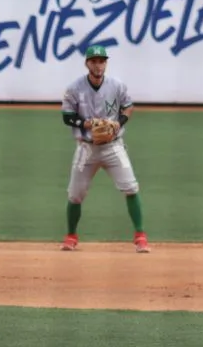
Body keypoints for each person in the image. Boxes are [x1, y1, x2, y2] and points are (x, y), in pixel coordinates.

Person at [58, 45, 150, 253]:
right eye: (94, 61)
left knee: (131, 187)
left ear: (105, 63)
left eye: (102, 61)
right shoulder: (75, 88)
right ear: (87, 63)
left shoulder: (116, 85)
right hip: (86, 148)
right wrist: (85, 124)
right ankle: (71, 236)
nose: (98, 64)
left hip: (113, 147)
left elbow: (128, 106)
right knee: (75, 195)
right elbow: (66, 116)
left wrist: (119, 122)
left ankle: (140, 236)